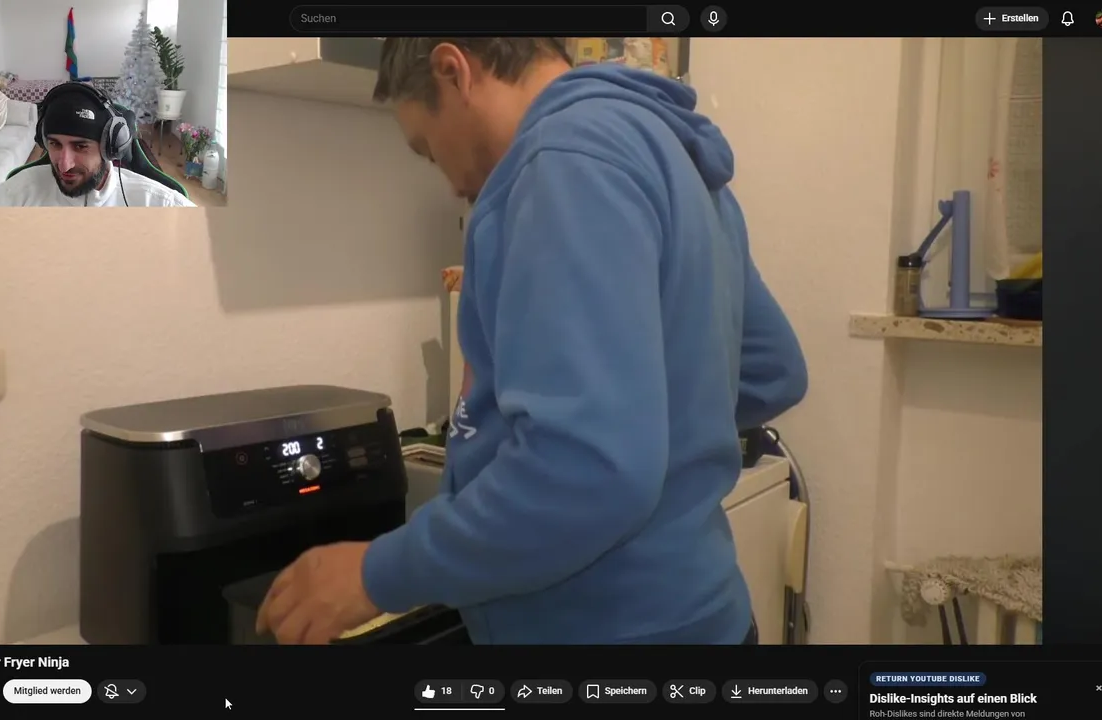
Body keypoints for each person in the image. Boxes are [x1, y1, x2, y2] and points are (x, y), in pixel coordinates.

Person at [256, 38, 807, 645]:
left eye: (427, 148)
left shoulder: (564, 161)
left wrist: (373, 575)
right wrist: (651, 427)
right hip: (704, 616)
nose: (448, 183)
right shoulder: (669, 151)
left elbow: (583, 472)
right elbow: (771, 370)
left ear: (453, 71)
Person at [0, 83, 193, 207]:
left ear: (110, 146)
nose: (64, 165)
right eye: (55, 144)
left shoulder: (157, 203)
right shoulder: (18, 193)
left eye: (80, 146)